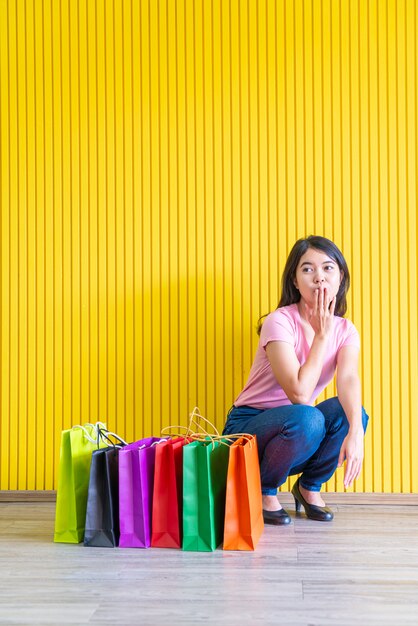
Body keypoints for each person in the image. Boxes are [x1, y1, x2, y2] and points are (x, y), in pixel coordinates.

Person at [222, 236, 369, 525]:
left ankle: (308, 488)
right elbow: (300, 394)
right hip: (250, 428)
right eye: (307, 269)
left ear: (340, 277)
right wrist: (322, 336)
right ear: (295, 279)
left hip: (297, 434)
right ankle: (264, 491)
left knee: (352, 414)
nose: (319, 278)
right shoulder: (279, 321)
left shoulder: (346, 330)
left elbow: (348, 378)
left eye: (328, 268)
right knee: (308, 416)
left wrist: (356, 432)